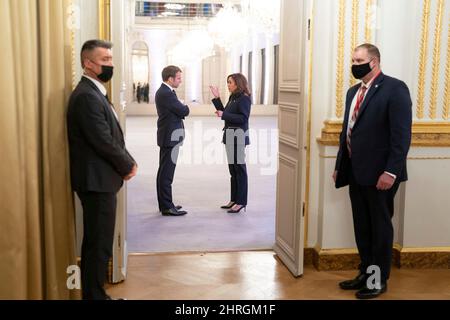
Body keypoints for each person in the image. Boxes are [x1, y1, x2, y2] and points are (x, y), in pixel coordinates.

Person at [333, 43, 412, 299]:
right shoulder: (353, 92)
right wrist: (339, 166)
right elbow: (347, 132)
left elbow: (401, 137)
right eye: (353, 61)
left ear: (374, 61)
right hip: (356, 172)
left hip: (381, 175)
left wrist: (391, 171)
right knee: (362, 226)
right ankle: (365, 273)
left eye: (359, 60)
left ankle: (378, 280)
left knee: (379, 228)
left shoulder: (395, 88)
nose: (354, 65)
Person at [67, 40, 138, 300]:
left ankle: (95, 295)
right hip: (96, 181)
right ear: (88, 63)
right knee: (98, 245)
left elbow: (111, 135)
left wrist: (125, 160)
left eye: (111, 58)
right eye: (105, 60)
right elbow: (102, 139)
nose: (111, 64)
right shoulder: (87, 95)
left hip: (101, 179)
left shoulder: (94, 91)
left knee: (98, 243)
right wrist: (127, 164)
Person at [209, 73, 251, 214]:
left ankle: (241, 202)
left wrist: (224, 115)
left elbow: (243, 118)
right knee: (233, 171)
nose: (228, 85)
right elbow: (225, 112)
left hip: (238, 137)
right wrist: (217, 98)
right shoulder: (233, 97)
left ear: (238, 83)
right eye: (227, 82)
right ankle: (234, 199)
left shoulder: (244, 99)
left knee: (240, 170)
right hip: (229, 136)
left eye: (230, 82)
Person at [155, 66, 190, 216]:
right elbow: (184, 111)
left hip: (168, 136)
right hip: (170, 137)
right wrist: (185, 106)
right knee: (166, 174)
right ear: (170, 78)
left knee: (164, 172)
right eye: (178, 78)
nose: (180, 81)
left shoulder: (166, 92)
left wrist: (180, 105)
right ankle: (167, 207)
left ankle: (166, 204)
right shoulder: (166, 93)